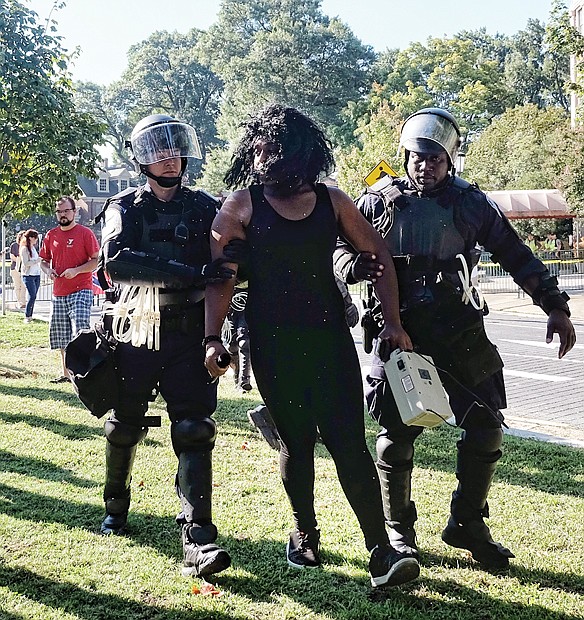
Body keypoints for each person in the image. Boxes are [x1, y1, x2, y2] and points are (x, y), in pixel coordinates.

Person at [334, 107, 576, 584]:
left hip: (461, 332)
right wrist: (352, 268)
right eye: (417, 158)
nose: (425, 166)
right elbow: (336, 248)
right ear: (406, 156)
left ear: (450, 160)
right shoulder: (376, 202)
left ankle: (467, 524)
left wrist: (554, 303)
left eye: (436, 159)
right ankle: (398, 529)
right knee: (396, 438)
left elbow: (515, 253)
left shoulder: (471, 204)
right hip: (397, 333)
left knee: (486, 428)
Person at [204, 103, 414, 589]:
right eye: (258, 150)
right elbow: (220, 278)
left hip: (330, 340)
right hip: (274, 344)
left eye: (272, 151)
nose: (263, 159)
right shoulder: (241, 206)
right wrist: (213, 339)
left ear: (299, 154)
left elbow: (376, 253)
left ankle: (381, 551)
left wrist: (393, 322)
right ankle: (304, 531)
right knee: (296, 441)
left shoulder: (333, 201)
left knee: (347, 443)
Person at [97, 114, 236, 579]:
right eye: (159, 150)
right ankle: (115, 508)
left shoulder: (204, 206)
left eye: (175, 148)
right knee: (124, 425)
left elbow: (231, 256)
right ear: (141, 159)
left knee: (196, 428)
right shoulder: (123, 207)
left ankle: (199, 538)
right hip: (136, 326)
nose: (169, 158)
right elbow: (116, 261)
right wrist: (192, 275)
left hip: (188, 330)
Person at [39, 196, 100, 383]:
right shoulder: (51, 235)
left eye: (66, 211)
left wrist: (76, 270)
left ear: (75, 212)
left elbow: (96, 260)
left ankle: (84, 373)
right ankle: (67, 375)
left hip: (81, 289)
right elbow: (43, 260)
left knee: (80, 329)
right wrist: (48, 270)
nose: (63, 215)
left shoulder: (85, 233)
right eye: (59, 211)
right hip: (59, 292)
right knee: (61, 335)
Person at [224, 286, 252, 392]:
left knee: (244, 342)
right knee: (231, 345)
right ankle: (236, 376)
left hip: (247, 300)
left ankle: (244, 381)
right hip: (230, 301)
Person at [19, 229, 42, 323]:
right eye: (35, 238)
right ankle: (27, 316)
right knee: (32, 295)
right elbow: (26, 263)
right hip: (28, 275)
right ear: (31, 238)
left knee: (33, 296)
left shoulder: (32, 248)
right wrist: (37, 261)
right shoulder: (24, 249)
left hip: (36, 274)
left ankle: (30, 315)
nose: (36, 240)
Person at [10, 231, 26, 309]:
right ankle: (18, 301)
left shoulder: (26, 246)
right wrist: (20, 260)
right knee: (17, 286)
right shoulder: (14, 245)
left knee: (23, 286)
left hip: (24, 268)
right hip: (15, 268)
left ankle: (23, 302)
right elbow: (12, 256)